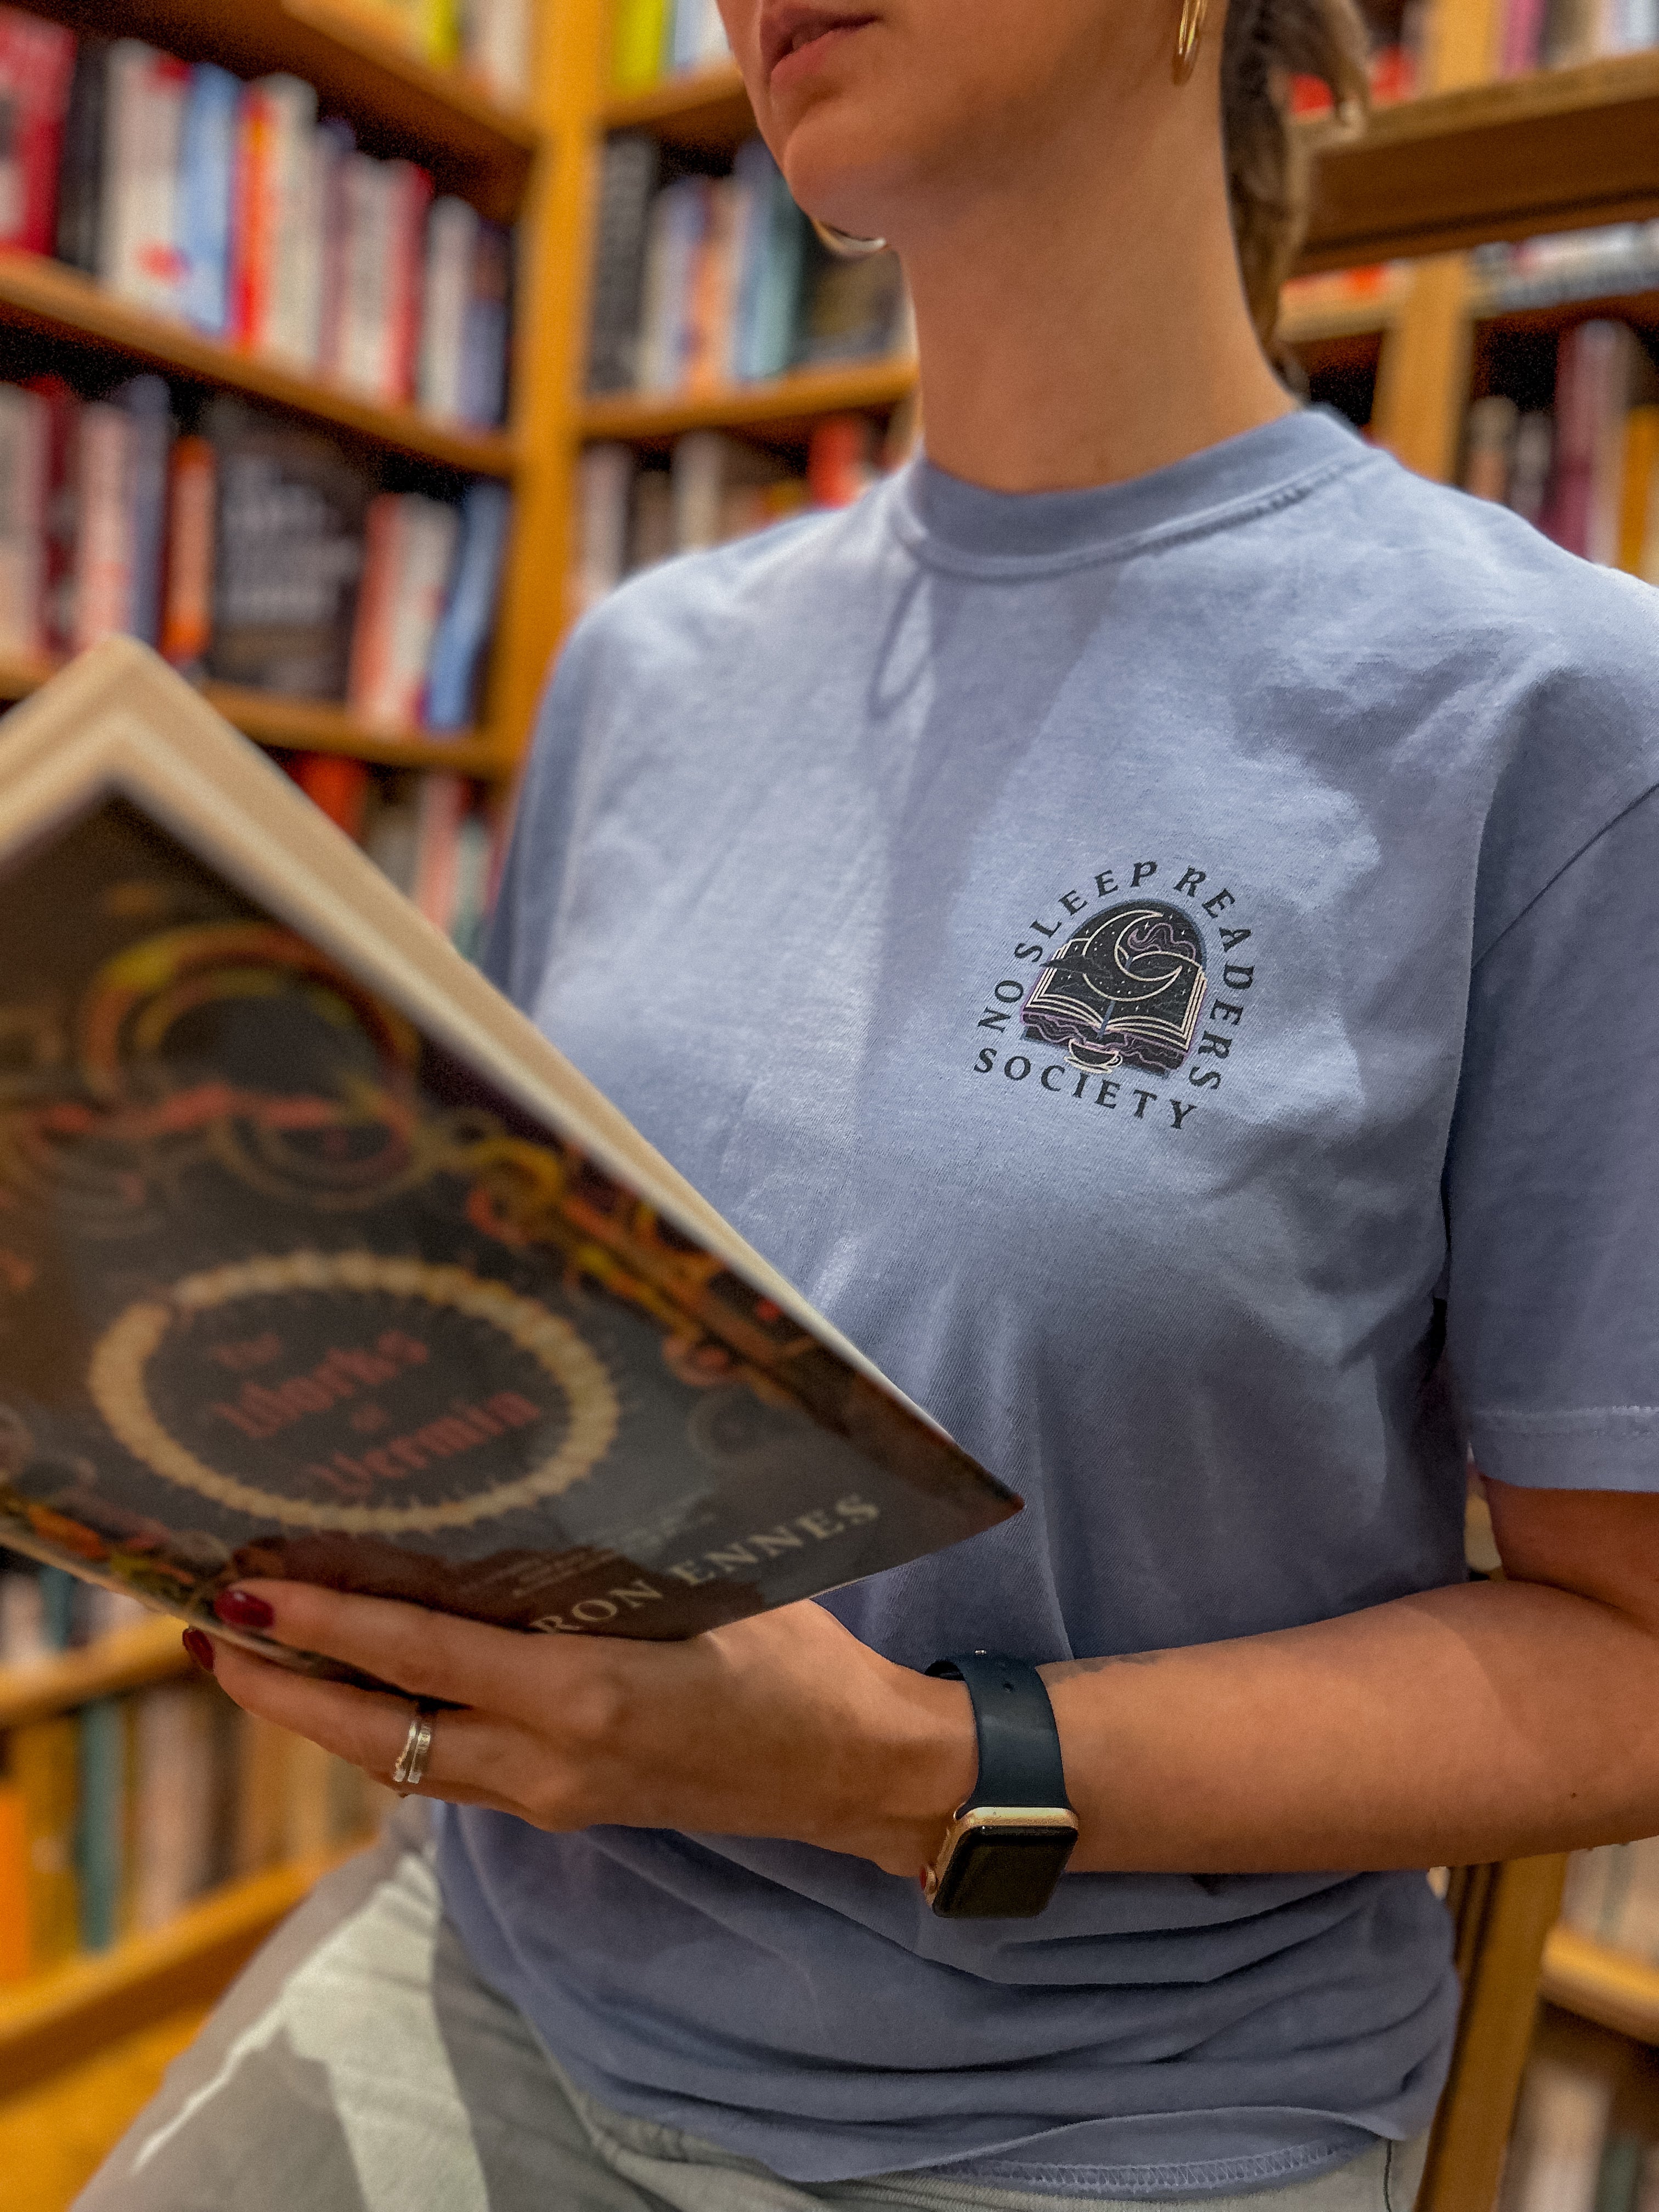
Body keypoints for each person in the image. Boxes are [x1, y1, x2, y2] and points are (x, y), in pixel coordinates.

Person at [83, 0, 1659, 2205]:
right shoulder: (644, 668)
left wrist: (908, 1763)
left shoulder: (1555, 717)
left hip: (1104, 2112)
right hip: (509, 1964)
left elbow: (1630, 1662)